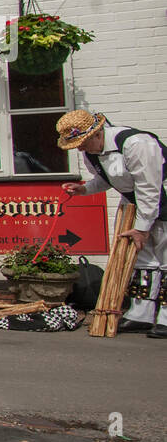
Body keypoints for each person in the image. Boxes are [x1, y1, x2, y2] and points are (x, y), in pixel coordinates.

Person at [59, 109, 167, 338]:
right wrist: (85, 189)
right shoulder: (93, 153)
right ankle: (142, 314)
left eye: (82, 142)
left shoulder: (136, 144)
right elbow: (108, 179)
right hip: (137, 205)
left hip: (160, 200)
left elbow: (149, 188)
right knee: (143, 260)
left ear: (97, 134)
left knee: (166, 258)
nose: (79, 149)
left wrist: (141, 228)